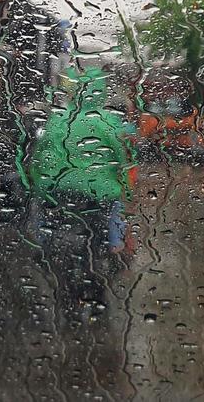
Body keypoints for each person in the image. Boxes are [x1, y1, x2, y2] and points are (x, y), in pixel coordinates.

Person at [25, 65, 136, 260]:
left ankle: (38, 243)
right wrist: (127, 190)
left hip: (57, 190)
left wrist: (36, 181)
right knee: (115, 211)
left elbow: (38, 155)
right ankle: (117, 248)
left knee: (41, 212)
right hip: (100, 193)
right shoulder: (108, 121)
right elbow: (123, 161)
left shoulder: (58, 119)